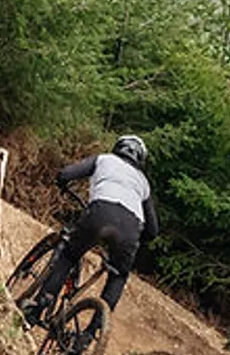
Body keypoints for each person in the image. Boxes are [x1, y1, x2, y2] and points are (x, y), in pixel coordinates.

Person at [20, 135, 159, 324]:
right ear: (140, 159)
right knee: (118, 275)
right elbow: (152, 230)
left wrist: (62, 181)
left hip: (99, 214)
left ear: (118, 148)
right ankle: (89, 336)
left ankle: (38, 308)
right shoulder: (143, 182)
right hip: (130, 229)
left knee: (69, 255)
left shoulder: (104, 159)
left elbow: (66, 174)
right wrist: (135, 239)